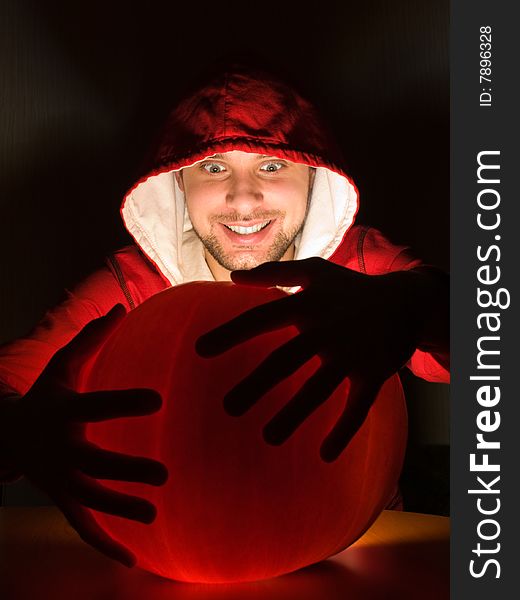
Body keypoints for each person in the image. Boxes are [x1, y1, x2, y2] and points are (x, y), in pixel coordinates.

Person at [0, 63, 449, 567]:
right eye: (214, 168)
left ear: (313, 179)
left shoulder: (363, 270)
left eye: (272, 166)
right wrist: (18, 432)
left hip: (356, 549)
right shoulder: (130, 286)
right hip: (174, 555)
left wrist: (420, 302)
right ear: (178, 184)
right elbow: (10, 380)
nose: (243, 198)